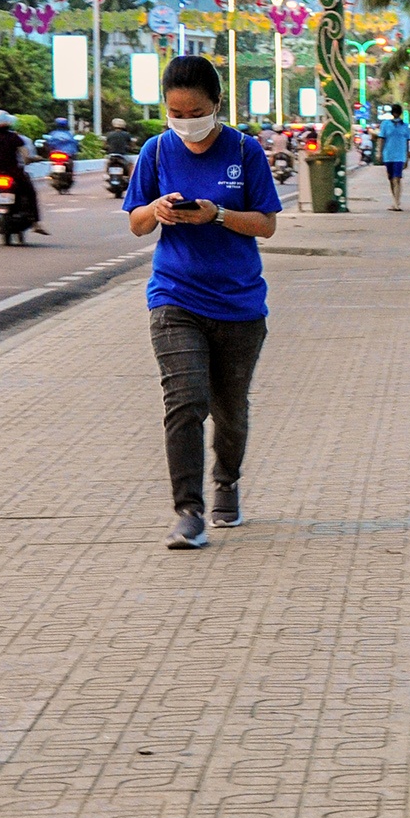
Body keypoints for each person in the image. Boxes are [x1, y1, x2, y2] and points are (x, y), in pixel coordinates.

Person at [125, 55, 282, 548]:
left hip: (238, 304)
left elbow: (266, 224)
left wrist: (217, 215)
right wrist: (156, 210)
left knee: (230, 409)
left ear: (217, 104)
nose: (185, 122)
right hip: (175, 297)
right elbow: (136, 222)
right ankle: (188, 511)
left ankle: (226, 483)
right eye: (175, 111)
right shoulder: (155, 152)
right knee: (185, 401)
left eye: (194, 111)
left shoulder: (245, 150)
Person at [0, 109, 48, 235]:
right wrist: (32, 159)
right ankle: (35, 222)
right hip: (14, 172)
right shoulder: (15, 138)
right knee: (30, 193)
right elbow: (25, 156)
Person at [379, 103, 410, 211]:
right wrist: (379, 153)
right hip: (388, 155)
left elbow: (407, 142)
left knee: (397, 179)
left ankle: (397, 203)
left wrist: (407, 157)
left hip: (400, 156)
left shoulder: (405, 126)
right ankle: (395, 199)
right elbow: (382, 139)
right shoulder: (385, 124)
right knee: (391, 179)